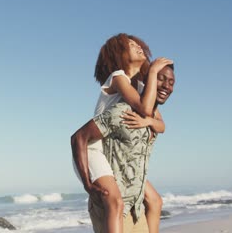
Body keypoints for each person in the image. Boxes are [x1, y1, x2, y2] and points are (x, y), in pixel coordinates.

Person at [73, 33, 171, 233]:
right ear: (119, 53)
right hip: (93, 147)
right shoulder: (118, 77)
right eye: (131, 45)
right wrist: (88, 184)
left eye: (139, 44)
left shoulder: (142, 87)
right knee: (115, 201)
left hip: (116, 151)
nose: (138, 47)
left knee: (155, 201)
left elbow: (161, 125)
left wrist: (148, 121)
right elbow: (143, 108)